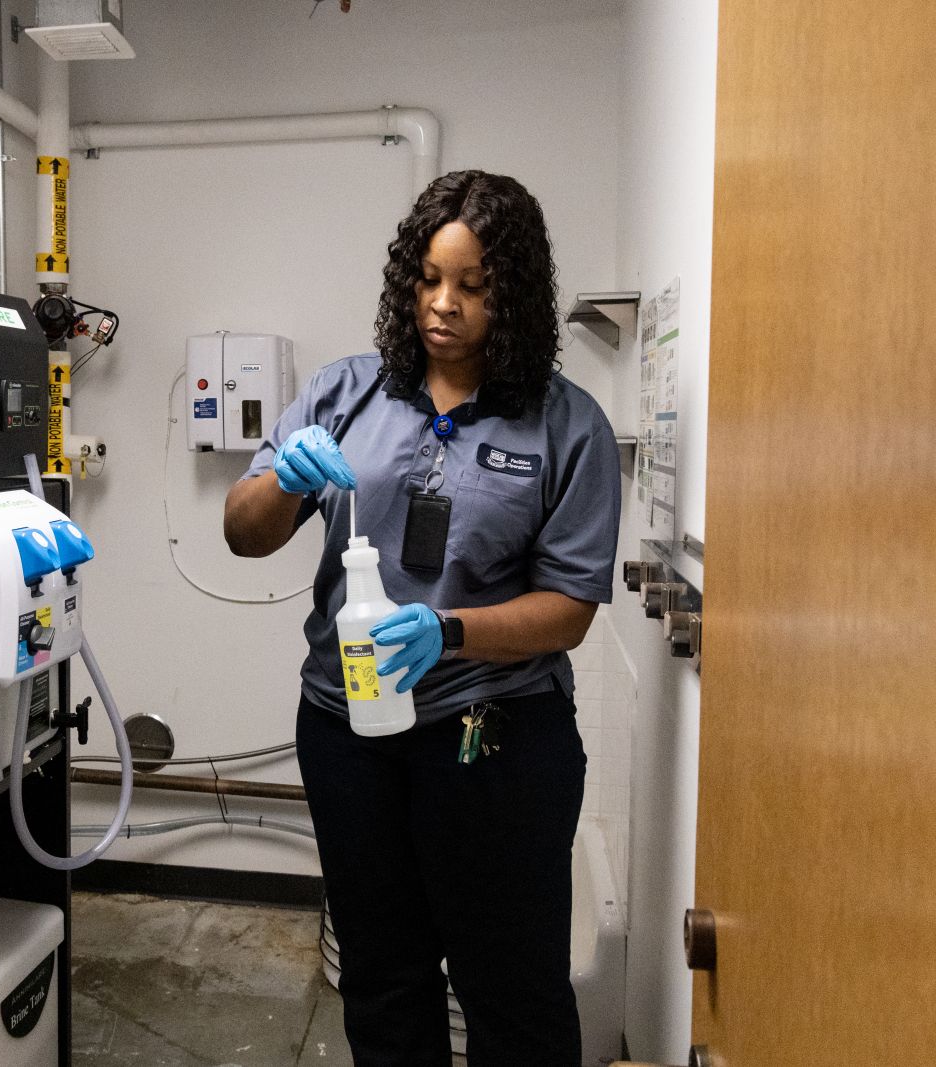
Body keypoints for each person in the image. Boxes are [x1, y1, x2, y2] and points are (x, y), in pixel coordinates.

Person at [223, 170, 620, 1066]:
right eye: (429, 279)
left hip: (494, 735)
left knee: (511, 988)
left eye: (473, 287)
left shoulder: (566, 425)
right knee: (382, 974)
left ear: (511, 296)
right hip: (348, 730)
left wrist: (449, 632)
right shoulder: (342, 393)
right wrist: (282, 476)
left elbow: (570, 611)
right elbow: (244, 534)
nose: (443, 306)